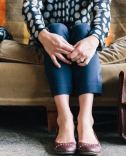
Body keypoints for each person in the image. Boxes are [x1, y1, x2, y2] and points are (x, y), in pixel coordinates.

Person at [22, 0, 111, 155]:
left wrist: (94, 39)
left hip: (84, 41)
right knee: (56, 28)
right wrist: (43, 35)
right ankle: (64, 118)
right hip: (48, 39)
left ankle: (85, 119)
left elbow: (103, 11)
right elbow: (30, 7)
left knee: (83, 28)